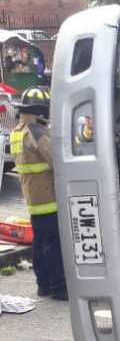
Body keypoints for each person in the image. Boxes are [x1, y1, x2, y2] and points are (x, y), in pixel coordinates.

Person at [9, 86, 67, 300]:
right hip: (48, 198)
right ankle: (58, 287)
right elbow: (55, 159)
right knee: (53, 244)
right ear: (40, 111)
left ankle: (43, 284)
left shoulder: (18, 130)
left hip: (33, 198)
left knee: (40, 242)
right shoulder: (36, 131)